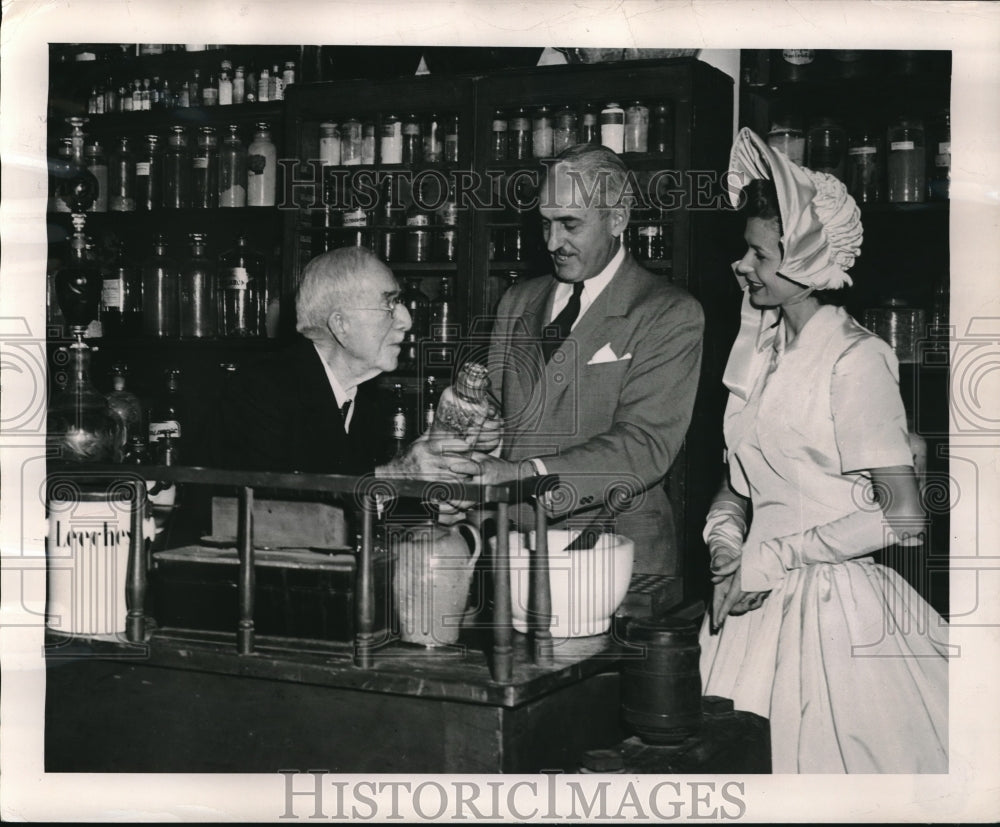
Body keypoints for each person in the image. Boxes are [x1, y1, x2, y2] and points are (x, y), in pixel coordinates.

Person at [699, 127, 948, 773]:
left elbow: (900, 515)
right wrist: (727, 542)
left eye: (759, 254)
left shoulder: (855, 357)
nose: (743, 265)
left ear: (805, 260)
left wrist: (773, 556)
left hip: (832, 610)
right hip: (748, 600)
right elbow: (741, 483)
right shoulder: (758, 351)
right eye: (745, 250)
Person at [472, 143, 705, 576]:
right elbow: (497, 416)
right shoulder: (517, 300)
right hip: (513, 551)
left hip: (614, 553)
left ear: (618, 218)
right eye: (545, 224)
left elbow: (645, 445)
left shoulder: (668, 312)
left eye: (569, 224)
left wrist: (525, 473)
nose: (553, 242)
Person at [219, 246, 479, 482]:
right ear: (340, 324)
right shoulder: (260, 390)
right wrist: (396, 475)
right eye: (388, 304)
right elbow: (275, 514)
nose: (407, 320)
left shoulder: (362, 399)